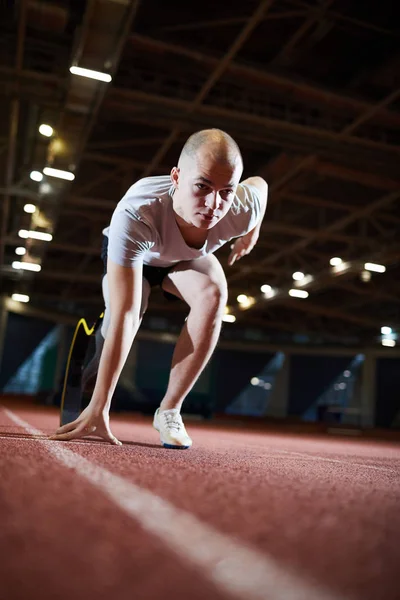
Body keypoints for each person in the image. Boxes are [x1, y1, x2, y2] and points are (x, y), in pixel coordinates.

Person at [51, 129, 268, 448]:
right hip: (137, 254)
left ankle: (169, 410)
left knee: (214, 295)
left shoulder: (241, 210)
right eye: (202, 186)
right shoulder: (138, 211)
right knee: (127, 312)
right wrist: (100, 409)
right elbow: (127, 314)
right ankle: (94, 378)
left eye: (226, 191)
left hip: (183, 260)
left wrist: (253, 230)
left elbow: (260, 185)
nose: (213, 205)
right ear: (177, 177)